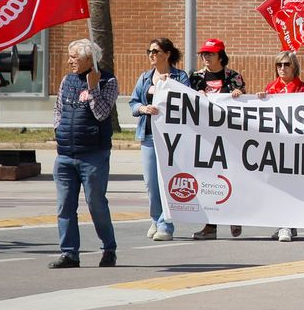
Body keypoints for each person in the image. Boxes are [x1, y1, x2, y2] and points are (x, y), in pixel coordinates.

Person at [51, 39, 119, 269]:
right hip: (65, 155)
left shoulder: (108, 81)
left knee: (95, 203)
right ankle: (69, 253)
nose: (69, 61)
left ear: (89, 59)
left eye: (74, 57)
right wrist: (58, 129)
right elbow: (58, 108)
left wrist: (92, 88)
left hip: (93, 155)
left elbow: (101, 114)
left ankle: (108, 248)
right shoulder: (67, 80)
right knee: (64, 206)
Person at [129, 38, 188, 242]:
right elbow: (133, 102)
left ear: (167, 54)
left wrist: (168, 85)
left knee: (167, 181)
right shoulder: (145, 77)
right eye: (149, 51)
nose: (151, 55)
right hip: (148, 135)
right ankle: (156, 218)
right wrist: (143, 108)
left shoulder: (180, 77)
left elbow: (185, 102)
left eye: (156, 51)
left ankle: (165, 224)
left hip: (172, 138)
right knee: (151, 183)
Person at [190, 39, 245, 240]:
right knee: (208, 180)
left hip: (230, 138)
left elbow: (244, 103)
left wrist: (239, 94)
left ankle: (235, 216)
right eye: (204, 53)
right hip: (205, 138)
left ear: (220, 55)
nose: (206, 57)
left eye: (210, 54)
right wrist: (196, 94)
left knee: (232, 177)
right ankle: (210, 225)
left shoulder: (233, 77)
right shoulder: (195, 77)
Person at [258, 51, 304, 242]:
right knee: (278, 186)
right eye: (279, 64)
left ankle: (287, 224)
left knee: (293, 186)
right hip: (276, 145)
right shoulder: (270, 89)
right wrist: (260, 101)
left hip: (296, 146)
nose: (282, 68)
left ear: (294, 66)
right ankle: (285, 223)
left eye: (286, 64)